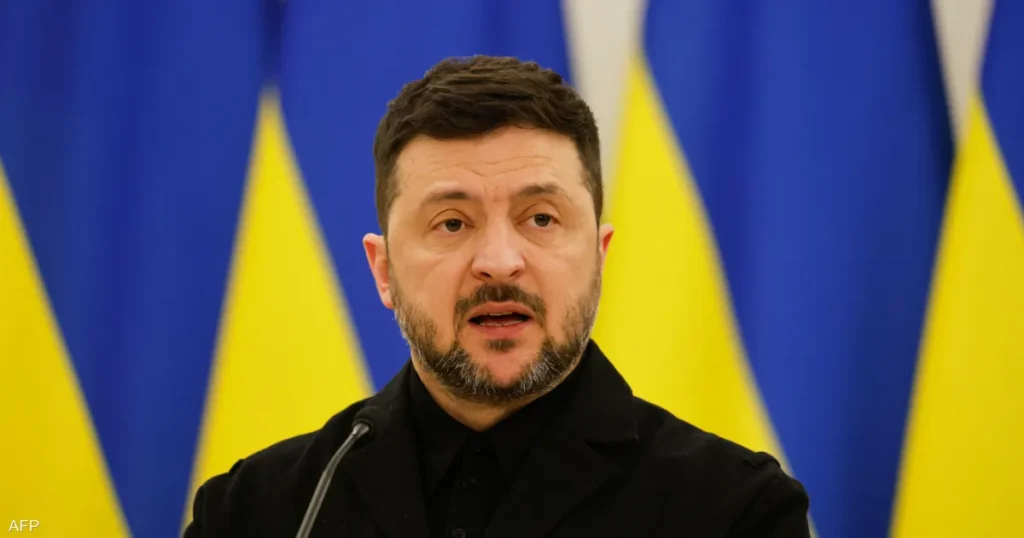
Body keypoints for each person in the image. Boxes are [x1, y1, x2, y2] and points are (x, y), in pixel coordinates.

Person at [184, 55, 810, 538]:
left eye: (540, 218)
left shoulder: (733, 511)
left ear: (599, 257)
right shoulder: (257, 513)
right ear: (384, 270)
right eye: (452, 223)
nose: (500, 261)